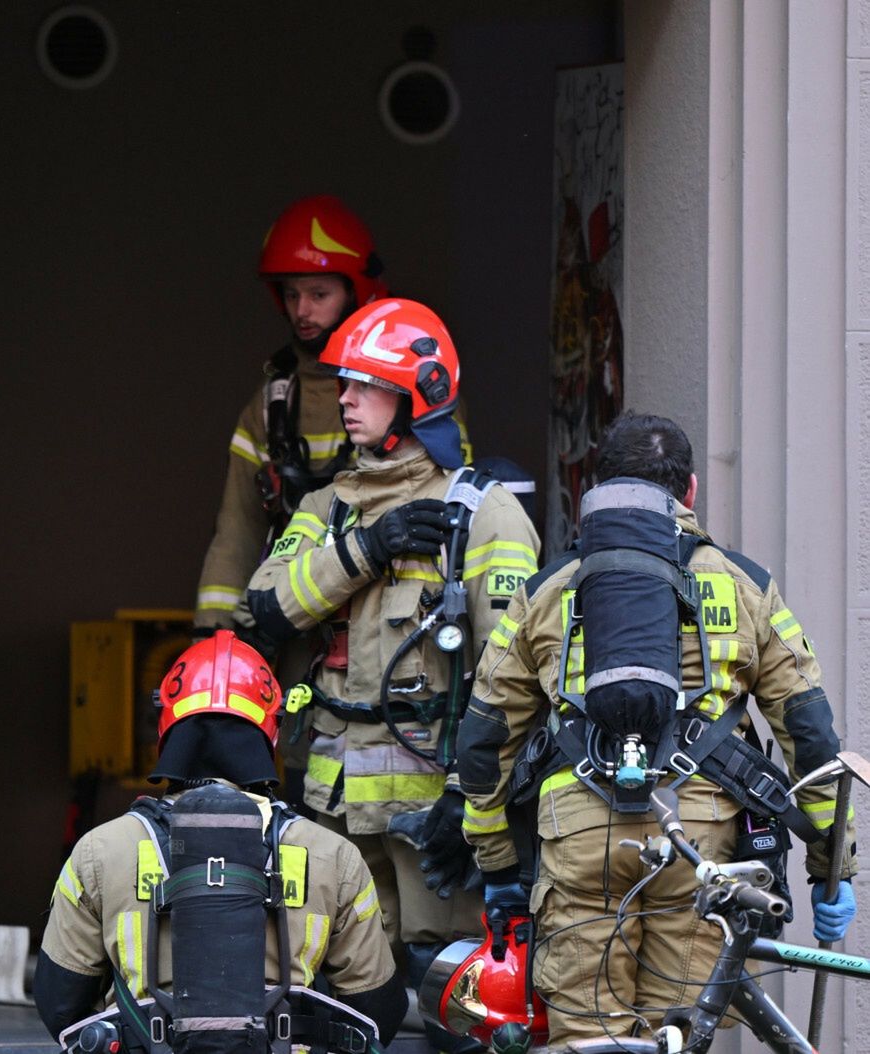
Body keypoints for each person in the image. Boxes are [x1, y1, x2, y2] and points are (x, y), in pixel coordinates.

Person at [455, 411, 859, 1045]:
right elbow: (808, 730)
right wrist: (831, 864)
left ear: (602, 486)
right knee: (680, 1035)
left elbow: (482, 737)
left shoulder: (549, 589)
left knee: (589, 1041)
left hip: (579, 836)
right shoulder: (745, 585)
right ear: (690, 491)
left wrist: (499, 863)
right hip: (699, 842)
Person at [244, 298, 540, 1050]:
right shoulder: (327, 508)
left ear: (417, 397)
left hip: (437, 833)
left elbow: (518, 679)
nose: (342, 399)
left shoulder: (486, 514)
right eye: (343, 383)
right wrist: (364, 551)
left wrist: (469, 803)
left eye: (363, 386)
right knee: (331, 1014)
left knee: (453, 1019)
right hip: (333, 815)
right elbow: (267, 608)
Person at [36, 630, 408, 1050]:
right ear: (271, 729)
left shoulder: (100, 851)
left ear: (167, 725)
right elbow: (378, 1012)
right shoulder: (333, 856)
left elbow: (60, 1006)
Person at [192, 195, 388, 636]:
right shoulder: (268, 407)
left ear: (357, 290)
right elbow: (237, 531)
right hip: (288, 622)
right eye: (292, 294)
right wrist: (213, 635)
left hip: (380, 629)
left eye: (319, 294)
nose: (302, 311)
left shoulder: (405, 395)